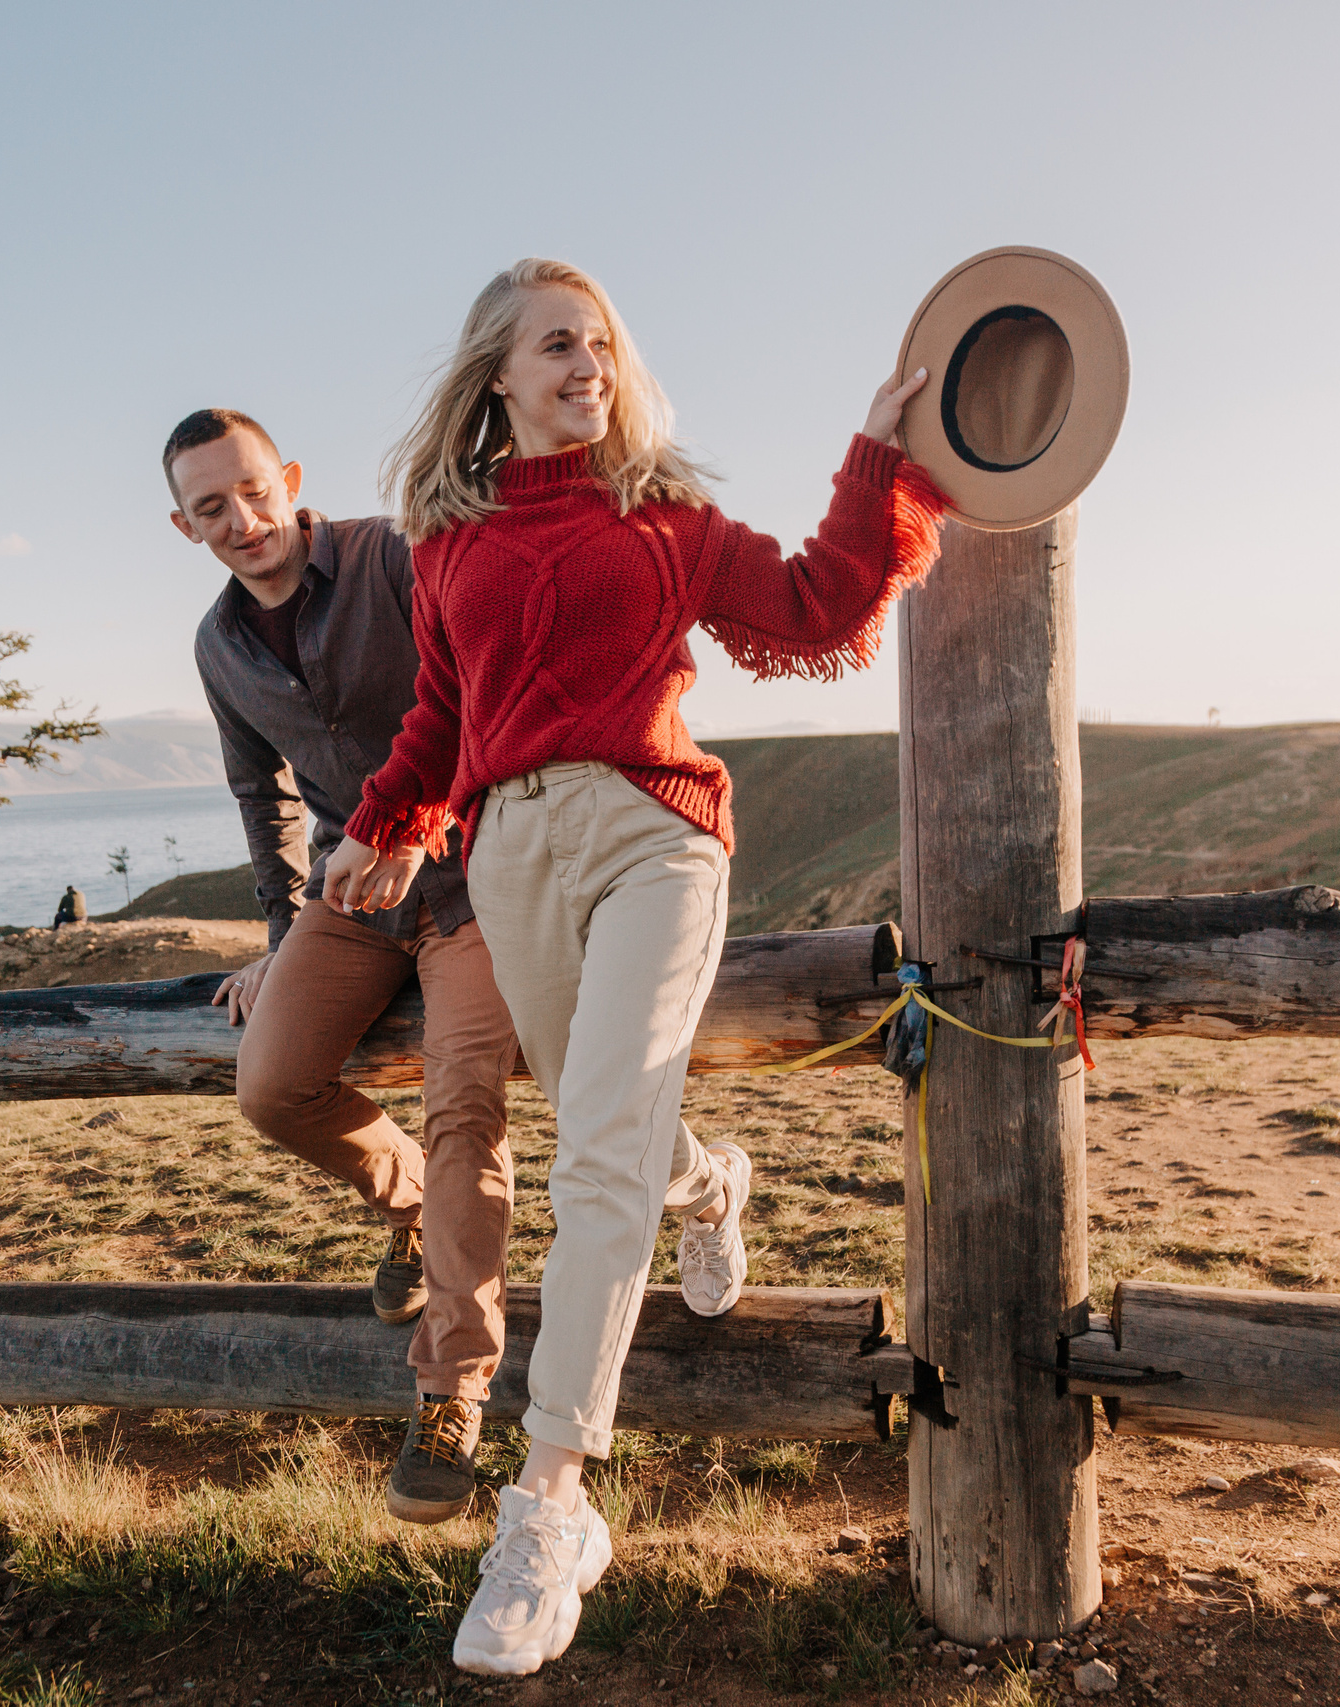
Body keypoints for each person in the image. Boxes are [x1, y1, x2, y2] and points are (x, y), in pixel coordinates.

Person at [325, 259, 947, 1677]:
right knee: (615, 1126)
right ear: (498, 375)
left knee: (589, 1157)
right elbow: (441, 712)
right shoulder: (451, 545)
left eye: (601, 343)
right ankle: (717, 1182)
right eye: (557, 345)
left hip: (655, 836)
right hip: (511, 857)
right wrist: (385, 824)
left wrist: (876, 455)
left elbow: (817, 602)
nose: (586, 364)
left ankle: (550, 1501)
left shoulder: (662, 514)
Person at [169, 407, 520, 1525]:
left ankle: (452, 1389)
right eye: (213, 506)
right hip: (350, 892)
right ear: (183, 525)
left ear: (292, 480)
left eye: (256, 490)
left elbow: (487, 691)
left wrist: (424, 822)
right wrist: (278, 945)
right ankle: (407, 1206)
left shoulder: (395, 556)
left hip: (476, 877)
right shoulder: (218, 645)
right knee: (271, 1087)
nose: (244, 519)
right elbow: (259, 796)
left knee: (466, 1105)